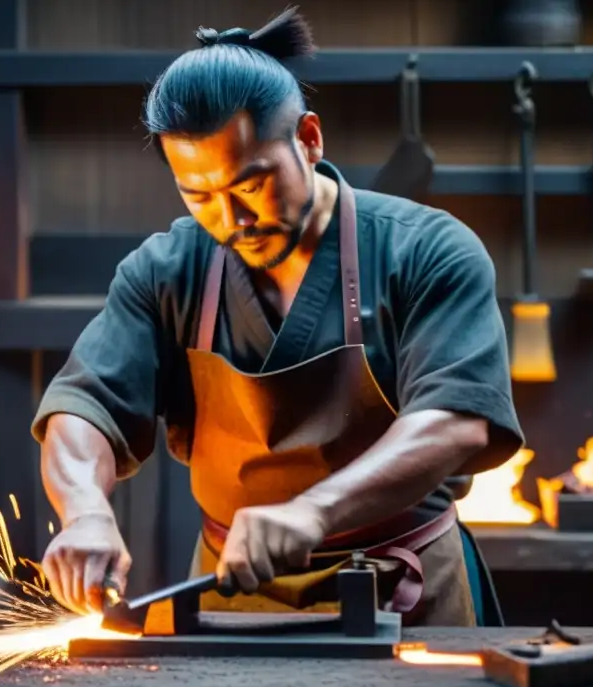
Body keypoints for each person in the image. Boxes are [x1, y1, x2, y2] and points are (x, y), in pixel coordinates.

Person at [33, 8, 524, 627]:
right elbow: (84, 407)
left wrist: (314, 511)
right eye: (199, 195)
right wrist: (85, 512)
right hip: (226, 600)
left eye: (250, 185)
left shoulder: (425, 250)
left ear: (310, 139)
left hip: (404, 587)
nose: (230, 220)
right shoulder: (167, 270)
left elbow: (457, 421)